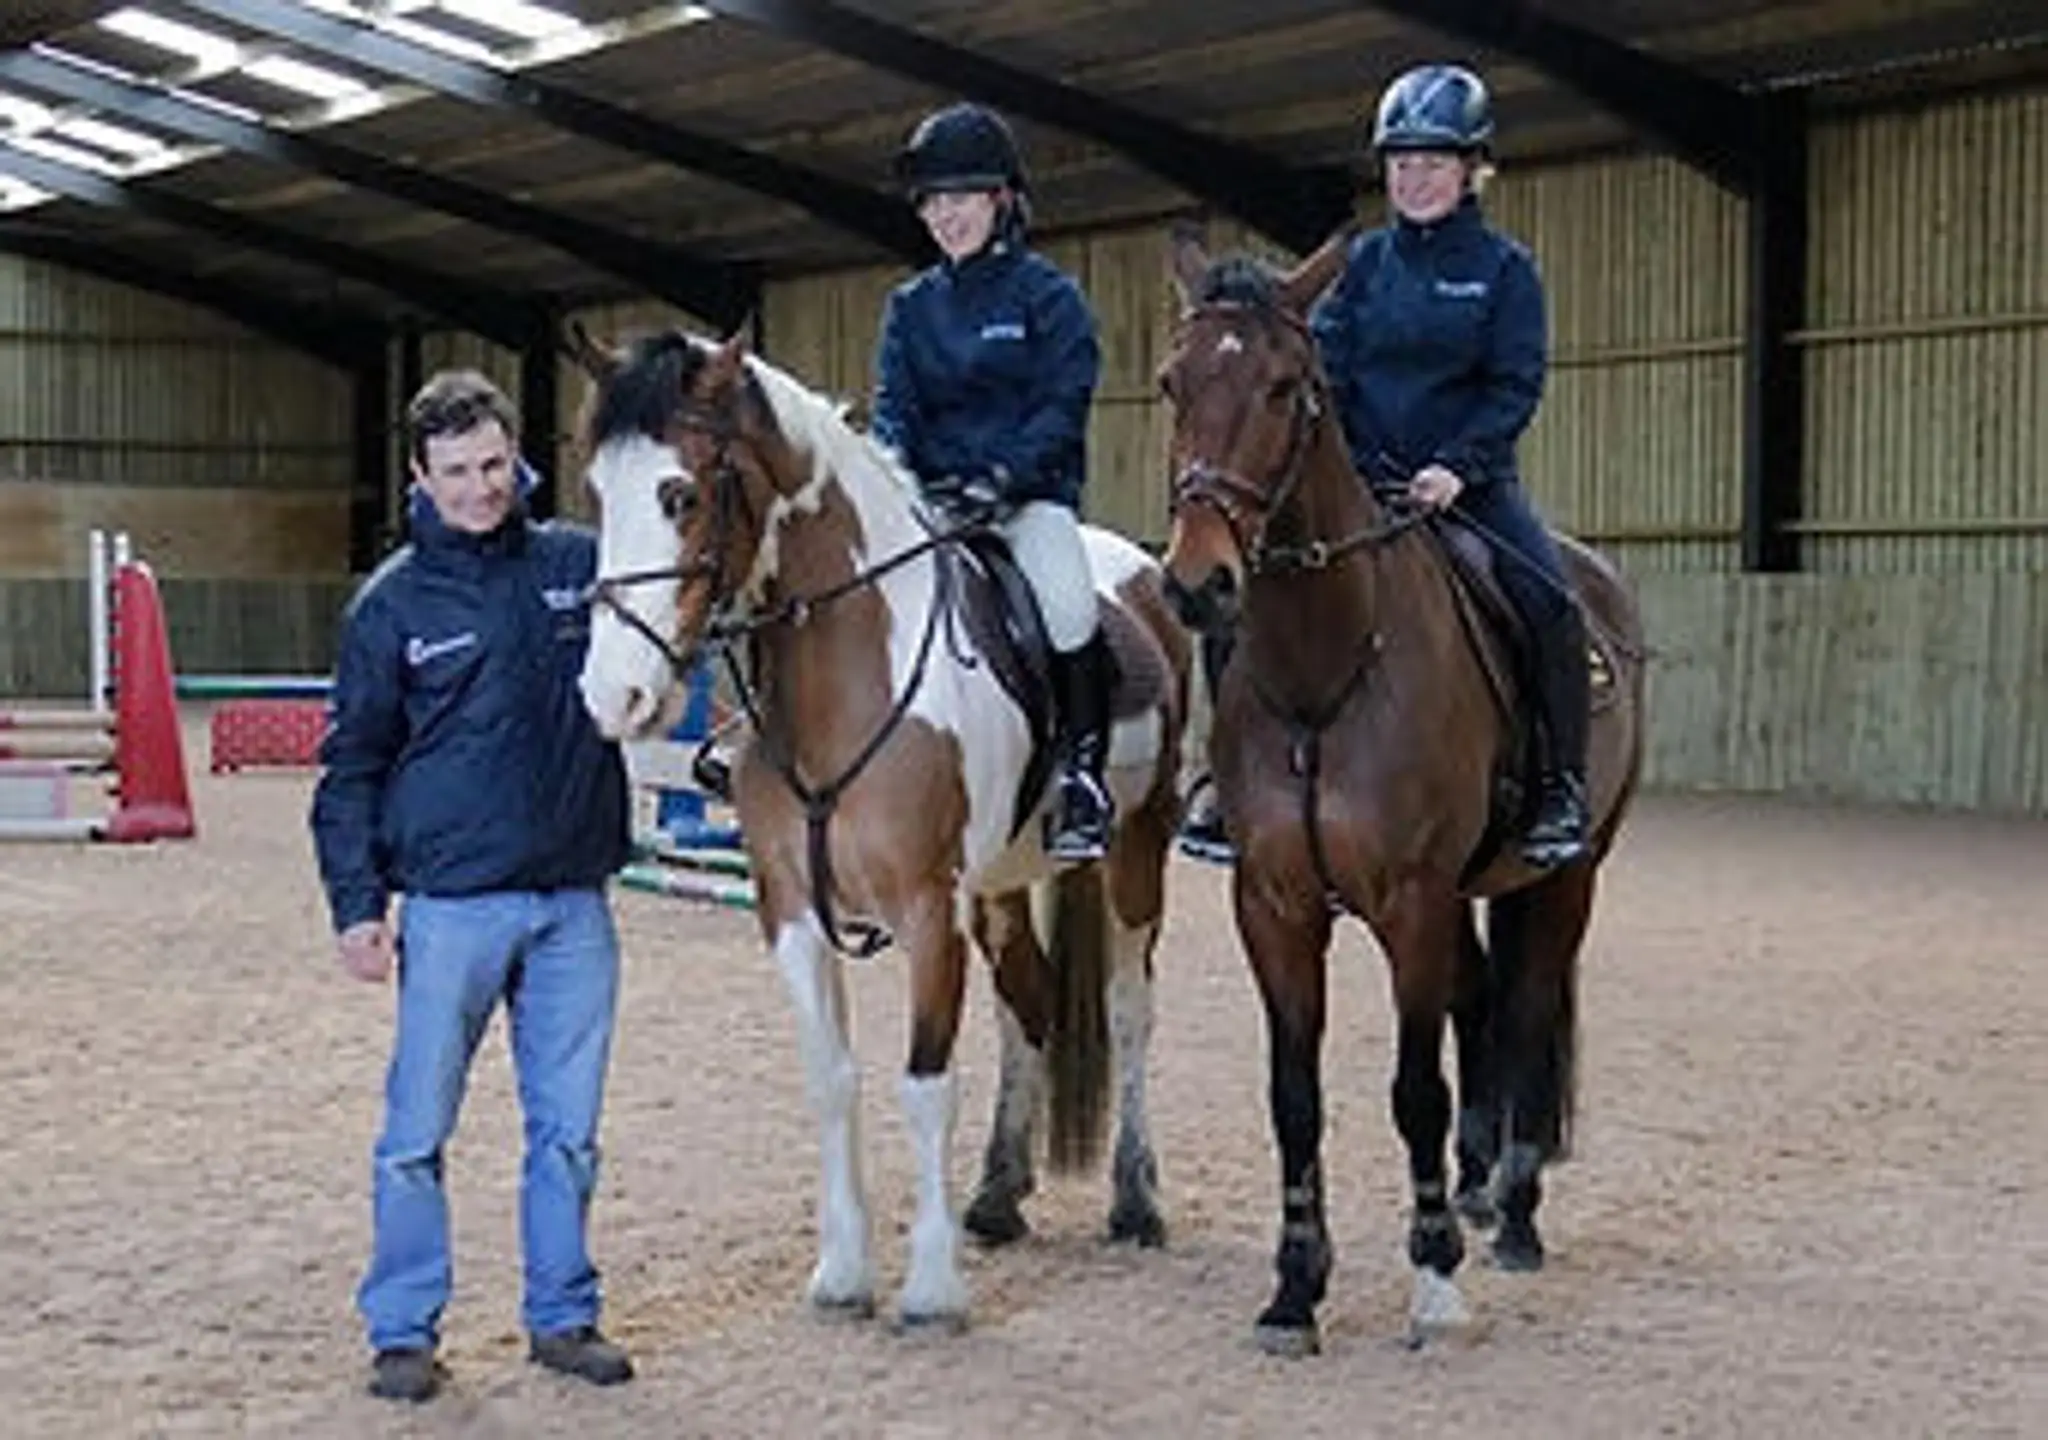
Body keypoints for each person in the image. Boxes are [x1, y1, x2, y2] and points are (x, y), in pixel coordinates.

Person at [310, 369, 636, 1403]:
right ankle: (402, 1329)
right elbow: (350, 766)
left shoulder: (582, 567)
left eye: (494, 465)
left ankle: (562, 1316)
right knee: (415, 1134)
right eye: (456, 472)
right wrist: (358, 907)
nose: (480, 489)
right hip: (450, 910)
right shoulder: (390, 605)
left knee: (569, 1132)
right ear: (421, 474)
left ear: (518, 457)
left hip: (573, 903)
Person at [1311, 62, 1591, 869]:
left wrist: (1454, 468)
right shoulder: (1362, 266)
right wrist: (1361, 468)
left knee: (1550, 604)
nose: (1415, 178)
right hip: (1370, 488)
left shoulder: (1506, 271)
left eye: (1433, 162)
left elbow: (1514, 385)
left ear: (1473, 170)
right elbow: (1331, 374)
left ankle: (1559, 784)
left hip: (1468, 491)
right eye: (1402, 163)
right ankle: (1235, 784)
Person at [869, 100, 1114, 862]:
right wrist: (905, 484)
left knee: (1071, 608)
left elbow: (1061, 407)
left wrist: (1003, 481)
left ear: (1001, 200)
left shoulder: (1050, 299)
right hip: (933, 508)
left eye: (961, 200)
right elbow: (892, 413)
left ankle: (1081, 778)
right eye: (934, 203)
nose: (946, 217)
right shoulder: (909, 309)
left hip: (1025, 502)